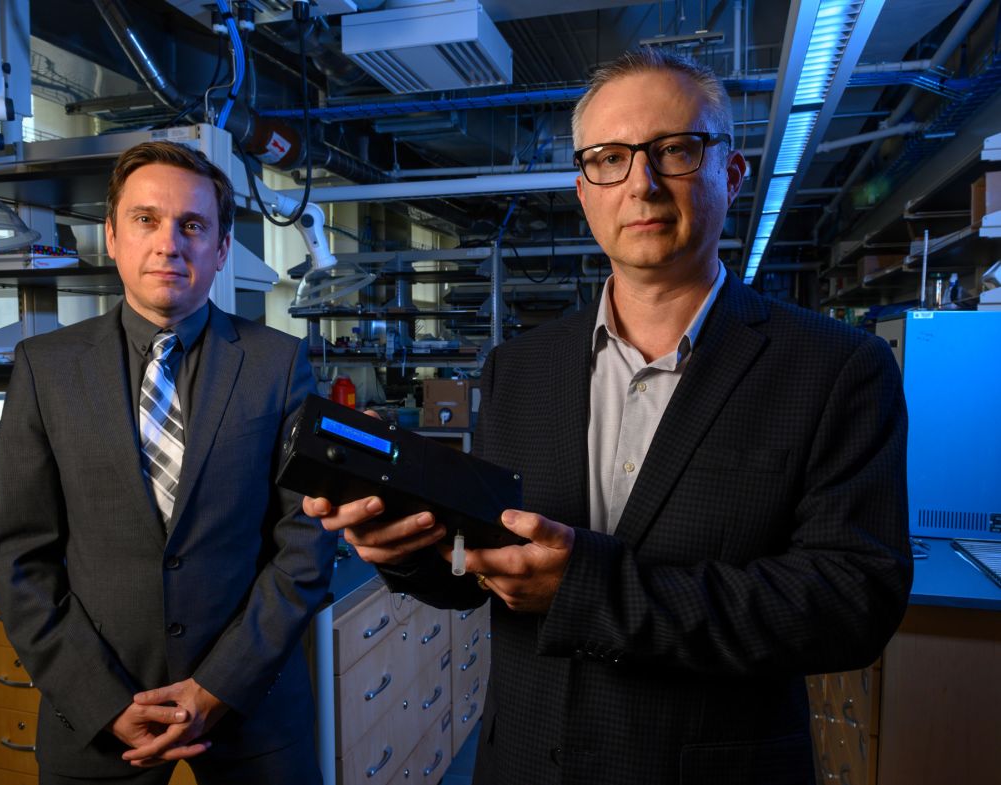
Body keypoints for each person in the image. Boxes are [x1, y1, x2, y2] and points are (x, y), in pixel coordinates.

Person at [306, 49, 912, 785]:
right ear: (583, 190)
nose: (642, 183)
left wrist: (591, 593)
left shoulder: (834, 369)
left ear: (733, 171)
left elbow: (851, 603)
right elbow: (478, 568)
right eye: (609, 159)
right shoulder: (518, 370)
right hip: (526, 762)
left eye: (676, 150)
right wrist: (407, 547)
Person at [0, 141, 336, 784]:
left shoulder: (278, 365)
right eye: (146, 219)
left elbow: (305, 542)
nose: (169, 243)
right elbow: (17, 554)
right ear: (111, 237)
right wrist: (102, 701)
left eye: (192, 225)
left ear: (221, 249)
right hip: (95, 719)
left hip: (250, 714)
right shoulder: (46, 368)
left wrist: (219, 685)